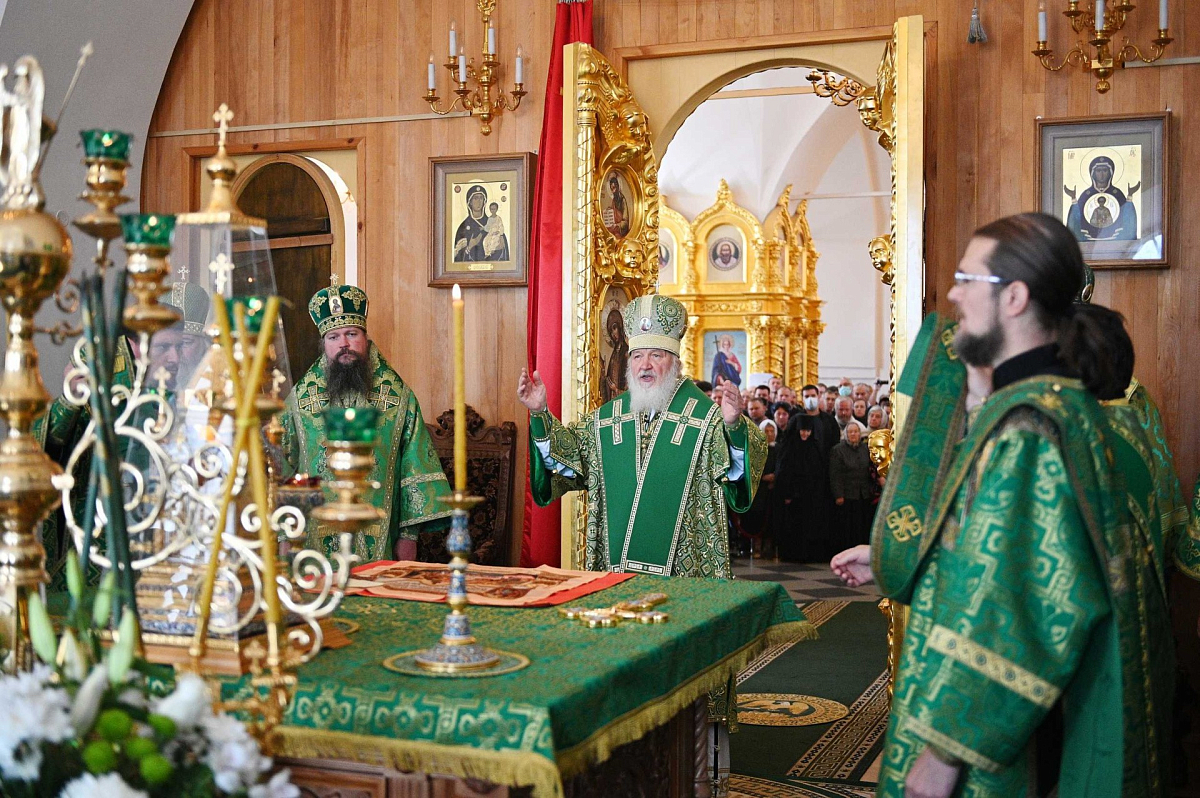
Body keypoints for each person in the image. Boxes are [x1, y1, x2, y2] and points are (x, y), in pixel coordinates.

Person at [831, 212, 1170, 797]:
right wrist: (914, 559)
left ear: (1014, 297)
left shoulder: (1030, 427)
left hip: (991, 750)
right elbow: (1002, 555)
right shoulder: (1048, 404)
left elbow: (1029, 610)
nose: (954, 295)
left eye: (968, 279)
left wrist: (944, 754)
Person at [522, 293, 768, 579]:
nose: (645, 365)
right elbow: (566, 461)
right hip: (617, 569)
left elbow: (738, 479)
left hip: (683, 573)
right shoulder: (607, 419)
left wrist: (734, 425)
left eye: (656, 355)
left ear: (675, 362)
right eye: (637, 356)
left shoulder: (707, 420)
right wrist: (540, 413)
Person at [279, 283, 451, 562]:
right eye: (333, 337)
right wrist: (285, 536)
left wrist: (408, 538)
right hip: (312, 546)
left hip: (380, 540)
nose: (343, 344)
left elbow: (414, 471)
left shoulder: (398, 398)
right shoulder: (300, 401)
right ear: (324, 344)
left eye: (351, 334)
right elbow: (283, 470)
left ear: (365, 338)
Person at [772, 414, 829, 562]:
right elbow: (784, 472)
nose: (805, 434)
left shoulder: (814, 447)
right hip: (793, 496)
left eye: (808, 431)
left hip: (811, 496)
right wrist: (788, 493)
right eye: (803, 430)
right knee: (793, 525)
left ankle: (808, 554)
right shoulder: (789, 447)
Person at [1065, 155, 1138, 243]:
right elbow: (1077, 220)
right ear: (1093, 173)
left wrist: (1130, 196)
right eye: (1098, 171)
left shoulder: (1117, 194)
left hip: (1114, 239)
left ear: (1110, 173)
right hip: (1089, 238)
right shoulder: (1086, 194)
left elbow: (1127, 220)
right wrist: (1073, 198)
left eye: (1105, 170)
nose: (1102, 174)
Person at [828, 422, 872, 548]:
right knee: (848, 527)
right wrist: (838, 495)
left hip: (863, 494)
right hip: (847, 495)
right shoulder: (838, 450)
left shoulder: (865, 448)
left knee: (862, 526)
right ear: (846, 434)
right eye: (850, 432)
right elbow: (835, 475)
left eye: (856, 431)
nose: (853, 434)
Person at [454, 185, 507, 262]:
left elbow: (502, 246)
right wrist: (470, 245)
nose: (479, 202)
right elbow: (458, 257)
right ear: (470, 202)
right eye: (475, 198)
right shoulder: (463, 226)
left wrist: (500, 243)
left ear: (484, 201)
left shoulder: (493, 221)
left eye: (481, 198)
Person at [601, 307, 629, 403]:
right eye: (610, 331)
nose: (613, 334)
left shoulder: (626, 353)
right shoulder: (614, 354)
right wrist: (602, 372)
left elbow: (630, 387)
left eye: (614, 328)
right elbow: (608, 380)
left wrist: (616, 389)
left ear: (620, 327)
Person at [601, 173, 630, 237]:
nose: (613, 191)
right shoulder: (614, 200)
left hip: (621, 230)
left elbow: (625, 221)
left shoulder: (622, 200)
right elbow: (613, 214)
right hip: (614, 227)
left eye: (614, 188)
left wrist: (617, 225)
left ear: (618, 186)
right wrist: (609, 210)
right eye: (611, 189)